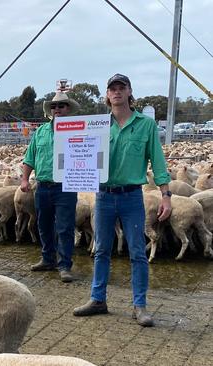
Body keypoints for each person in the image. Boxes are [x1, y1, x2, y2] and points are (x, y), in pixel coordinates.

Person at [73, 74, 172, 327]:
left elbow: (158, 162)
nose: (117, 92)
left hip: (131, 197)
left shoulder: (145, 125)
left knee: (138, 252)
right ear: (107, 95)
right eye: (112, 89)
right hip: (104, 196)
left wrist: (166, 195)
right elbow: (75, 150)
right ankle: (98, 299)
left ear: (129, 92)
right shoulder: (96, 125)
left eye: (121, 88)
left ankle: (140, 305)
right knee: (102, 249)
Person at [21, 87, 80, 283]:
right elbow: (30, 157)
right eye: (54, 106)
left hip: (66, 186)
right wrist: (24, 179)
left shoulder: (77, 129)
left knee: (64, 227)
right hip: (43, 186)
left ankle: (64, 265)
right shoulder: (41, 132)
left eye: (61, 106)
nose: (57, 109)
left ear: (68, 109)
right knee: (44, 225)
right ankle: (48, 259)